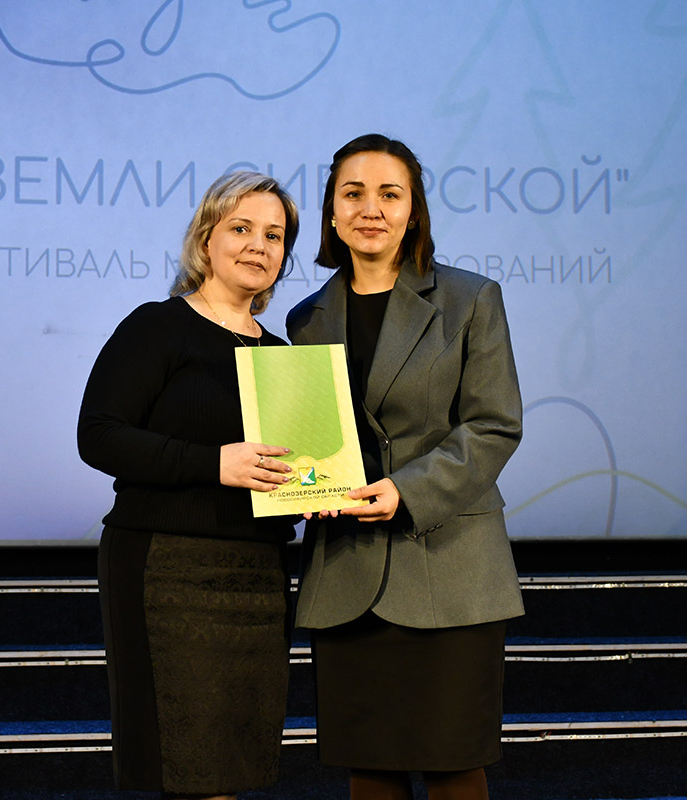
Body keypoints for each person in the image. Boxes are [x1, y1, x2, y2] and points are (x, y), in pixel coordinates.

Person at [286, 134, 524, 800]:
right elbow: (309, 444)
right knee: (370, 767)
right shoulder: (306, 320)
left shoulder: (471, 299)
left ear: (413, 210)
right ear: (332, 214)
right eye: (353, 194)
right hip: (347, 573)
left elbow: (494, 425)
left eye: (389, 194)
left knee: (453, 764)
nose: (371, 209)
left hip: (449, 565)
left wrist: (405, 491)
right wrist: (303, 487)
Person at [77, 171, 300, 799]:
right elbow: (99, 435)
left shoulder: (285, 357)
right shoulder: (157, 326)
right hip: (167, 571)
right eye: (241, 228)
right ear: (206, 241)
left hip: (259, 575)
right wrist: (214, 464)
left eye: (274, 235)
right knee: (188, 770)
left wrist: (320, 494)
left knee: (234, 769)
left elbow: (291, 470)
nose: (258, 245)